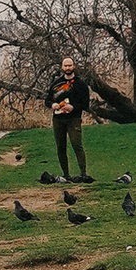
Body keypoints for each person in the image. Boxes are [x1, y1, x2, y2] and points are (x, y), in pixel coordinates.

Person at [48, 50, 91, 186]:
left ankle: (83, 173)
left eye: (70, 65)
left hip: (73, 119)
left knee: (77, 145)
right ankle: (65, 174)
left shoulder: (80, 84)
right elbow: (47, 100)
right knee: (61, 147)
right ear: (62, 67)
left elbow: (85, 104)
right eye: (65, 66)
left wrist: (73, 107)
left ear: (74, 67)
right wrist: (53, 104)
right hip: (58, 120)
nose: (68, 68)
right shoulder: (55, 84)